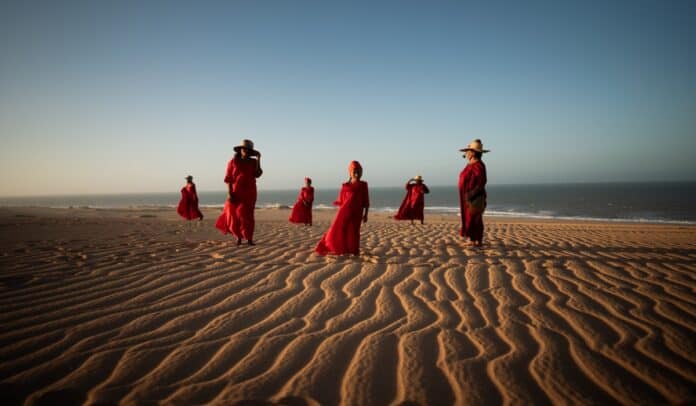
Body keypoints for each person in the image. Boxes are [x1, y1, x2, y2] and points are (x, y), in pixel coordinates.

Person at [315, 161, 369, 256]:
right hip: (345, 212)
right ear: (350, 172)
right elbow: (342, 201)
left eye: (359, 171)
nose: (357, 173)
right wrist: (340, 213)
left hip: (357, 212)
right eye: (354, 171)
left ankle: (353, 250)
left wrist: (366, 214)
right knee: (340, 230)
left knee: (354, 232)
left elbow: (366, 201)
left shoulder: (364, 185)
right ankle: (341, 249)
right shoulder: (345, 186)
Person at [215, 139, 263, 245]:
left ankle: (249, 238)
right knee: (234, 214)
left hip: (250, 191)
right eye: (244, 148)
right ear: (240, 150)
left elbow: (258, 174)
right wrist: (229, 193)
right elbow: (228, 178)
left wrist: (259, 158)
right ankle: (238, 237)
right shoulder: (233, 162)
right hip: (236, 191)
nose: (245, 150)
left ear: (251, 151)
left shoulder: (253, 162)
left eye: (248, 149)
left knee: (247, 215)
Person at [458, 139, 489, 247]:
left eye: (467, 151)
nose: (466, 153)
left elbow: (482, 182)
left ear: (472, 153)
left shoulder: (479, 165)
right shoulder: (469, 164)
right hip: (466, 196)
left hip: (475, 196)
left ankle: (476, 240)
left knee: (475, 218)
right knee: (469, 217)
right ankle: (473, 239)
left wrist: (471, 194)